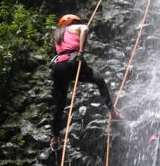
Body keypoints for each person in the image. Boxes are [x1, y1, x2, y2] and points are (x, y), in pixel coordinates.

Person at [50, 14, 120, 151]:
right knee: (99, 80)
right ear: (74, 21)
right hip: (74, 61)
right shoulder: (77, 26)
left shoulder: (57, 34)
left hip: (58, 66)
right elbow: (85, 30)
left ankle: (55, 137)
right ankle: (113, 113)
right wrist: (81, 51)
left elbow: (60, 50)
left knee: (60, 104)